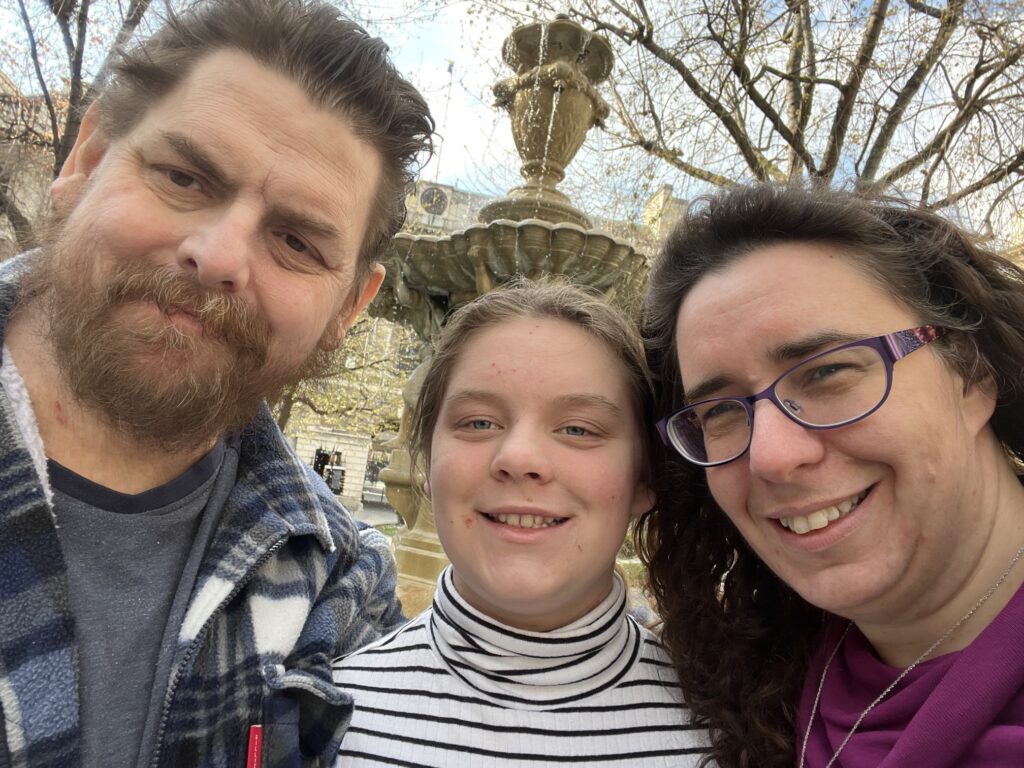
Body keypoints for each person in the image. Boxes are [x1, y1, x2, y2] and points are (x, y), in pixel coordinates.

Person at [0, 0, 434, 765]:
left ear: (349, 309)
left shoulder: (340, 587)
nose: (221, 255)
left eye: (297, 240)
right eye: (184, 177)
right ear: (88, 160)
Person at [639, 183, 1024, 768]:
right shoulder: (750, 683)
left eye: (827, 373)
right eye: (720, 411)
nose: (770, 456)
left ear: (970, 373)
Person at [332, 279, 712, 766]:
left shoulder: (729, 732)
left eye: (579, 429)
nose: (519, 457)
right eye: (479, 422)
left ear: (644, 478)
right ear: (427, 460)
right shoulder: (325, 718)